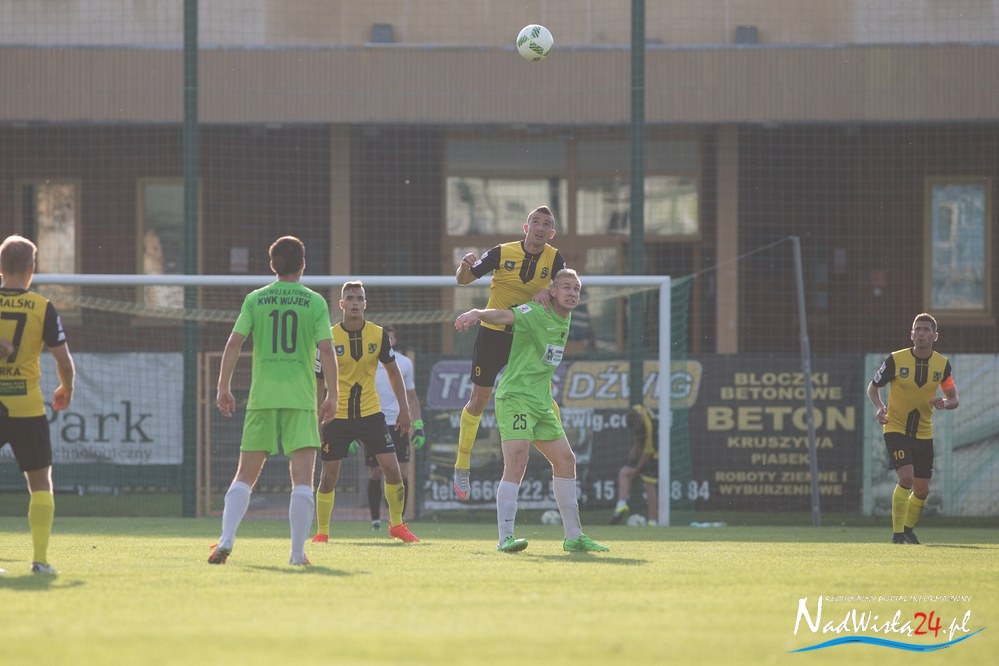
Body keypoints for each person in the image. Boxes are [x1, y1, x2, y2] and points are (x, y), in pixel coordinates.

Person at [454, 268, 608, 554]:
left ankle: (574, 536)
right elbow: (505, 316)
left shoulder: (565, 316)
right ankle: (505, 538)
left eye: (576, 289)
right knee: (517, 461)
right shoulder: (537, 311)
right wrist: (477, 312)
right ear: (553, 292)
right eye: (566, 287)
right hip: (516, 397)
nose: (572, 293)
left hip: (541, 401)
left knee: (566, 461)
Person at [210, 236, 339, 566]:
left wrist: (223, 387)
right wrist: (333, 394)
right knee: (303, 480)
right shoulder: (314, 302)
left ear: (272, 265)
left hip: (262, 397)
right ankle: (296, 554)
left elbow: (233, 342)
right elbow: (326, 350)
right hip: (300, 399)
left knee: (244, 475)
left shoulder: (256, 299)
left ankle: (226, 539)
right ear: (303, 264)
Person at [452, 205, 567, 501]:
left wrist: (549, 290)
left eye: (546, 224)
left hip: (527, 337)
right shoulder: (502, 252)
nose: (540, 227)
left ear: (552, 233)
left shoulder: (554, 258)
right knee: (479, 400)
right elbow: (463, 280)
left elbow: (567, 287)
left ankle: (561, 453)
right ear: (526, 227)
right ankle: (462, 465)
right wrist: (464, 266)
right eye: (535, 222)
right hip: (493, 332)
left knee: (543, 394)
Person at [312, 282, 421, 543]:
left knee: (393, 470)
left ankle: (397, 525)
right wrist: (315, 415)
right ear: (341, 304)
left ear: (365, 304)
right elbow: (318, 379)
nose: (354, 303)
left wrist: (405, 411)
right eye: (349, 298)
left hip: (371, 414)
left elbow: (393, 372)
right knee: (328, 477)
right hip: (337, 416)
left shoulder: (378, 334)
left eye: (359, 298)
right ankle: (322, 532)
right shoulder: (327, 338)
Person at [0, 235, 76, 575]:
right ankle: (40, 561)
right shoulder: (42, 307)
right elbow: (64, 362)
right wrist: (66, 388)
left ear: (0, 267)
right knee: (41, 482)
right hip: (27, 406)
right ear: (32, 268)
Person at [867, 313, 959, 545]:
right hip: (895, 428)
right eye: (917, 329)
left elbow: (953, 398)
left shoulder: (942, 365)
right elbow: (873, 387)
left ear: (935, 336)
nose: (921, 333)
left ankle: (908, 529)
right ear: (911, 334)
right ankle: (897, 534)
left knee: (922, 491)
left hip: (924, 433)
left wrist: (944, 402)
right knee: (906, 477)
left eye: (926, 330)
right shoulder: (896, 360)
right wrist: (879, 407)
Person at [368, 324, 425, 529]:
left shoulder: (404, 363)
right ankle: (375, 520)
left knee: (402, 473)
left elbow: (412, 396)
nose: (388, 341)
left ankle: (399, 520)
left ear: (395, 340)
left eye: (390, 338)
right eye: (385, 338)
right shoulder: (369, 362)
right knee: (376, 472)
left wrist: (418, 425)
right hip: (374, 423)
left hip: (398, 424)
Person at [609, 404, 659, 526]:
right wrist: (635, 448)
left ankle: (652, 521)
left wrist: (636, 470)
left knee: (649, 485)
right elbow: (636, 432)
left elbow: (647, 453)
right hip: (642, 449)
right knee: (624, 472)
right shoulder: (636, 410)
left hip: (653, 454)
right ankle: (621, 505)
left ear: (640, 420)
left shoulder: (649, 426)